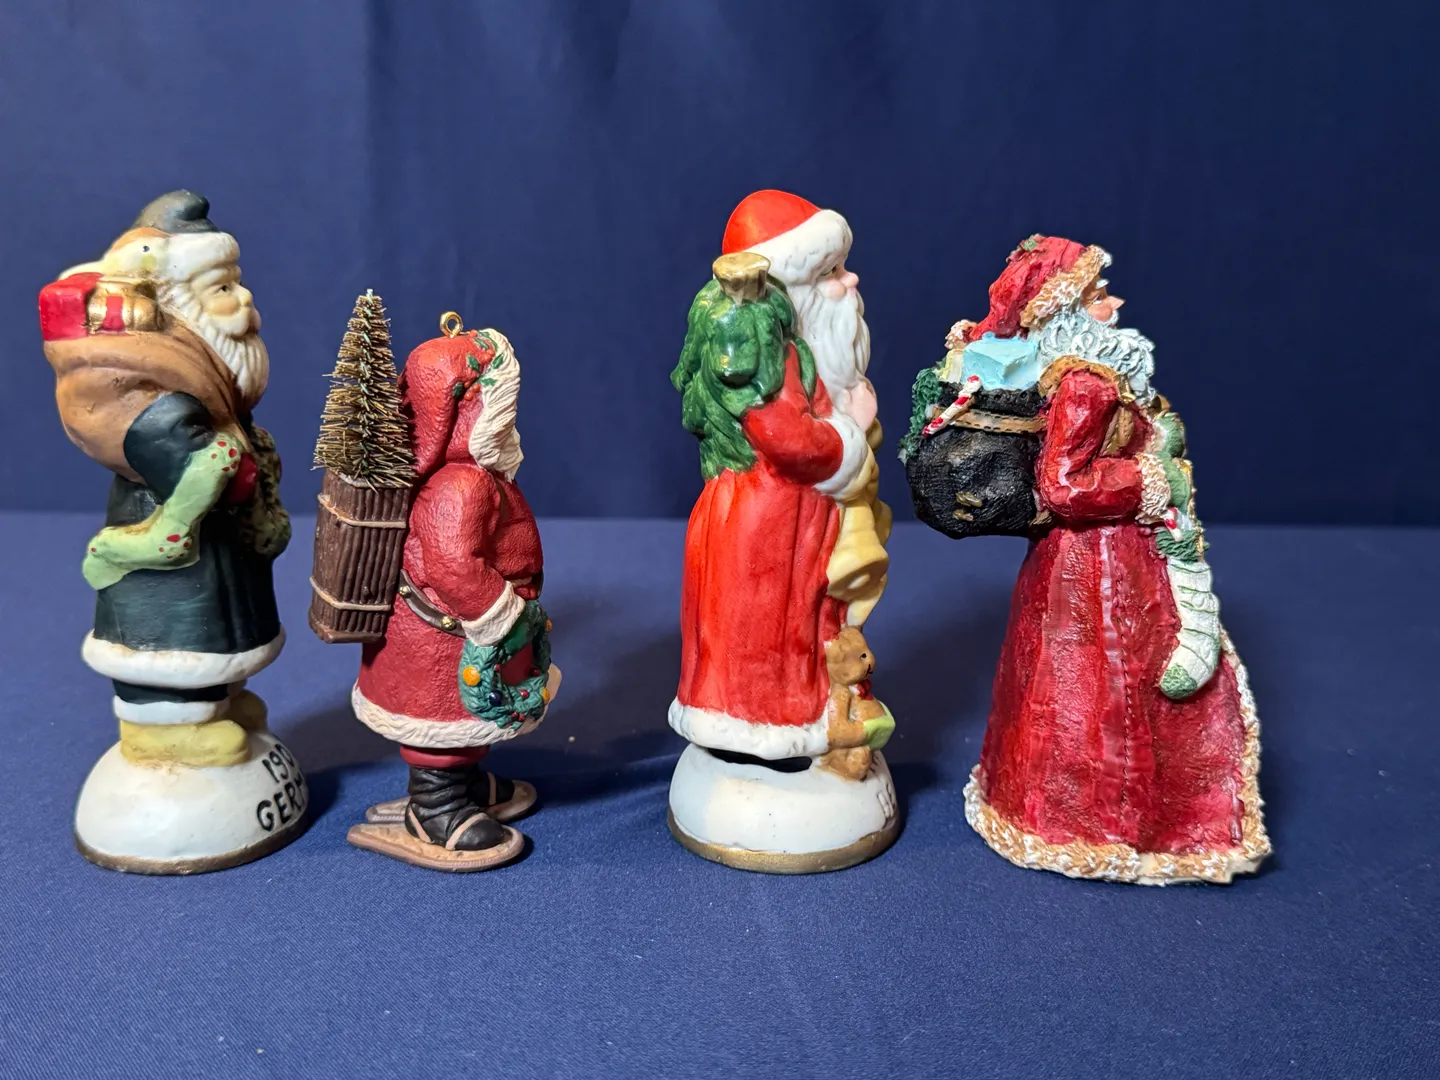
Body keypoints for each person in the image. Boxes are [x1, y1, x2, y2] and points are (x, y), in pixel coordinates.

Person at [907, 236, 1270, 884]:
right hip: (1098, 565)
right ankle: (1098, 824)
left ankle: (1066, 812)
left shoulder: (1090, 374)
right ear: (1064, 309)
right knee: (1102, 684)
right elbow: (1064, 487)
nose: (1115, 303)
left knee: (1071, 679)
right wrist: (1148, 480)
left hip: (1087, 560)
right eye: (1100, 295)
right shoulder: (1085, 385)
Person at [40, 190, 302, 871]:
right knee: (172, 647)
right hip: (169, 560)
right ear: (180, 305)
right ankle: (162, 738)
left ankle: (219, 706)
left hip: (215, 548)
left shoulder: (211, 381)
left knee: (217, 639)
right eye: (223, 290)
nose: (243, 303)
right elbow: (185, 459)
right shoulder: (156, 400)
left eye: (236, 285)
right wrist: (232, 466)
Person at [347, 321, 560, 870]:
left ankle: (462, 783)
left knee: (467, 717)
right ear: (472, 412)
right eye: (502, 408)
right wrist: (503, 616)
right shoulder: (460, 485)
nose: (509, 422)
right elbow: (453, 566)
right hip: (445, 639)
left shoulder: (477, 475)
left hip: (454, 631)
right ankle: (435, 806)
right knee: (444, 720)